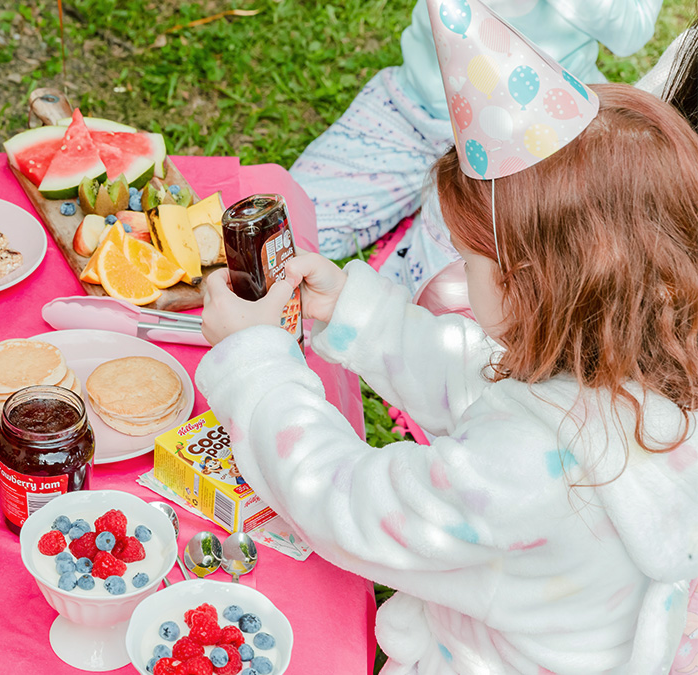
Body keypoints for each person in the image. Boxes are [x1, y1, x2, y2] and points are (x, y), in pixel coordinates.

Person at [196, 81, 698, 674]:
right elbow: (476, 374)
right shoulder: (642, 360)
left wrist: (254, 362)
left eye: (469, 259)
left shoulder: (524, 476)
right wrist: (358, 313)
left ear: (527, 285)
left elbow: (346, 503)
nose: (460, 269)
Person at [290, 0, 662, 291]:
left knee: (445, 302)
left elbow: (630, 32)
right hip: (413, 106)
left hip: (524, 140)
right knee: (286, 231)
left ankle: (435, 214)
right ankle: (428, 204)